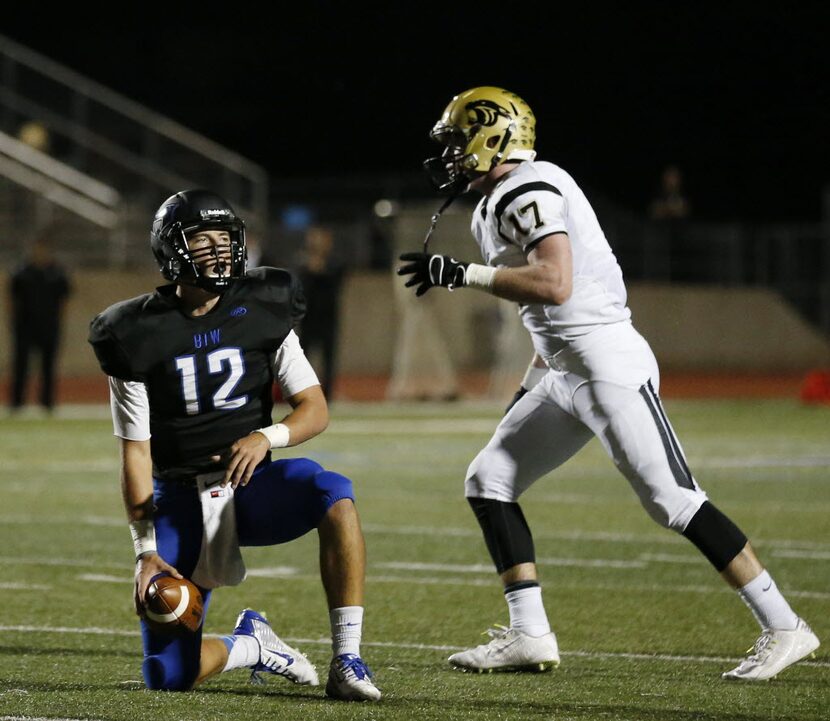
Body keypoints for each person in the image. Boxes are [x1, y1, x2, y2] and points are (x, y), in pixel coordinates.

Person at [397, 86, 819, 681]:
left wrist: (463, 273)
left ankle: (784, 626)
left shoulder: (526, 187)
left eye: (457, 141)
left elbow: (554, 284)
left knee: (672, 500)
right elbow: (548, 321)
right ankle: (529, 635)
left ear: (493, 136)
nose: (449, 155)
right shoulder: (498, 197)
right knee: (489, 479)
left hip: (606, 365)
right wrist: (528, 387)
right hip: (563, 368)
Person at [87, 189, 381, 702]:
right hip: (179, 499)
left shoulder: (263, 304)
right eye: (202, 240)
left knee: (334, 493)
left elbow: (314, 407)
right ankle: (251, 645)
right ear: (172, 251)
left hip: (250, 485)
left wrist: (265, 437)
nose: (218, 251)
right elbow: (136, 450)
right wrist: (146, 553)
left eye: (225, 239)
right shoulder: (132, 333)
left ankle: (347, 658)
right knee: (169, 676)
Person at [8, 229, 72, 412]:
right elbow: (12, 299)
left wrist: (59, 323)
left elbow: (64, 300)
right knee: (21, 365)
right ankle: (17, 402)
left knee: (48, 365)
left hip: (49, 326)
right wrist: (13, 323)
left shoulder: (57, 273)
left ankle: (47, 402)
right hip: (24, 326)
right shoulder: (21, 273)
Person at [294, 225, 345, 398]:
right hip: (308, 318)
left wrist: (318, 270)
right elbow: (300, 287)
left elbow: (335, 284)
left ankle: (327, 395)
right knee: (303, 358)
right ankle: (302, 393)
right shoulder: (301, 262)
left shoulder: (335, 262)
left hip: (328, 317)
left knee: (328, 359)